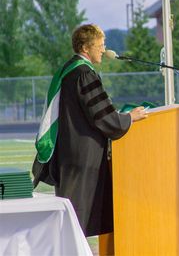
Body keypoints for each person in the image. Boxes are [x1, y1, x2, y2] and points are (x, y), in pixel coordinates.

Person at [32, 24, 147, 237]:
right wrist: (129, 118)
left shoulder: (69, 70)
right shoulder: (83, 73)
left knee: (73, 212)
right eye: (100, 45)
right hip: (83, 155)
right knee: (78, 213)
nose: (103, 50)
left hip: (72, 150)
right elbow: (102, 116)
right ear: (86, 47)